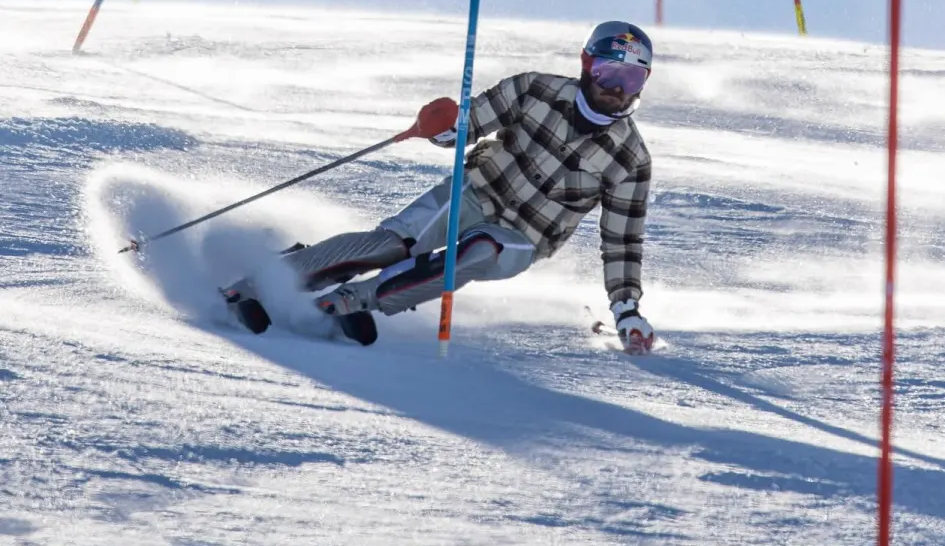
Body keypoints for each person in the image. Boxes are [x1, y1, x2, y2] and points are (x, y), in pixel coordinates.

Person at [222, 20, 656, 353]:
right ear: (586, 64)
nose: (617, 91)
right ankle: (264, 282)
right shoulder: (535, 89)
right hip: (473, 191)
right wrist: (446, 126)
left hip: (524, 237)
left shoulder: (630, 159)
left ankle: (353, 301)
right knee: (392, 244)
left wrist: (626, 308)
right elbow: (469, 125)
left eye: (632, 81)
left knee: (477, 251)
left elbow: (621, 243)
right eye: (608, 74)